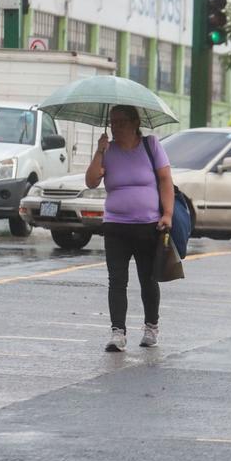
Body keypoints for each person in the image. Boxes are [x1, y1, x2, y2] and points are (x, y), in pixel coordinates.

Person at [85, 105, 175, 352]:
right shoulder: (108, 150)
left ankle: (151, 327)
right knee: (117, 280)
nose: (116, 127)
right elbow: (91, 181)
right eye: (113, 122)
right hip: (116, 226)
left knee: (148, 279)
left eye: (122, 122)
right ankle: (118, 332)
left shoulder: (151, 145)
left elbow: (166, 180)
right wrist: (99, 151)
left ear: (135, 123)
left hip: (148, 225)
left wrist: (167, 214)